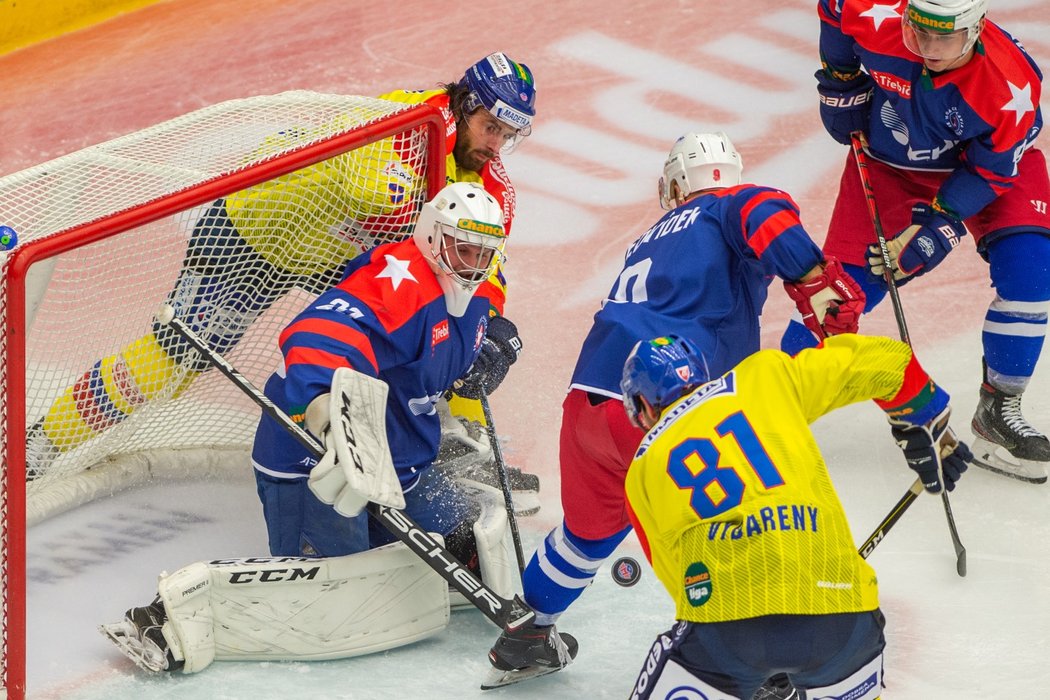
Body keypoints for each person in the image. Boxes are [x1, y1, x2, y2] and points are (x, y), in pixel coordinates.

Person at [98, 182, 565, 676]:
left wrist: (492, 341)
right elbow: (316, 334)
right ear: (432, 237)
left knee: (465, 527)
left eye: (482, 253)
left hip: (397, 460)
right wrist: (322, 406)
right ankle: (167, 617)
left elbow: (467, 329)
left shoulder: (468, 295)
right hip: (317, 458)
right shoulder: (400, 284)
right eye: (462, 248)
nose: (472, 262)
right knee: (337, 586)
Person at [25, 52, 538, 497]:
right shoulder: (409, 117)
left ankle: (464, 448)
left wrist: (489, 319)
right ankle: (44, 442)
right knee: (179, 355)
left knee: (450, 321)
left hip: (333, 249)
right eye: (491, 127)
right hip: (255, 229)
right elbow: (376, 198)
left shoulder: (490, 179)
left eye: (508, 135)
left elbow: (482, 264)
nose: (497, 144)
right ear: (464, 103)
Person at [484, 131, 867, 687]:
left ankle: (528, 635)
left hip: (592, 403)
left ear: (675, 182)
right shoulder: (727, 204)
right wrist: (814, 283)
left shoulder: (651, 238)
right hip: (669, 405)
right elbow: (763, 211)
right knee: (735, 526)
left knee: (586, 537)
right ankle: (754, 662)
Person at [779, 0, 1050, 482]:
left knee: (1032, 270)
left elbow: (991, 171)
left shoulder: (1011, 85)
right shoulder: (879, 14)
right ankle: (765, 421)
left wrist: (938, 228)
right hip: (892, 167)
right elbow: (836, 8)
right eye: (918, 34)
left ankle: (997, 412)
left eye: (943, 39)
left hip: (983, 172)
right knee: (834, 299)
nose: (927, 49)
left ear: (976, 29)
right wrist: (840, 80)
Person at [621, 333, 972, 700]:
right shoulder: (763, 376)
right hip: (843, 619)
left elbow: (681, 585)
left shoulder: (641, 469)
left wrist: (761, 660)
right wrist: (929, 429)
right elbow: (889, 362)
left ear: (643, 405)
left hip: (729, 631)